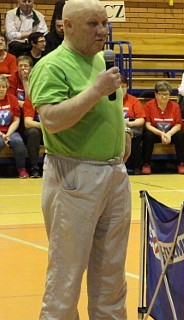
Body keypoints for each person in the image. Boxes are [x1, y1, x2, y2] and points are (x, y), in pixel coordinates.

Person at [28, 0, 131, 318]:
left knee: (112, 273)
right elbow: (53, 120)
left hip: (114, 174)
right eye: (93, 24)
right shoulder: (51, 66)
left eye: (104, 23)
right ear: (66, 26)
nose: (102, 30)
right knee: (67, 273)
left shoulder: (102, 60)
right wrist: (95, 91)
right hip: (74, 176)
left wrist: (123, 132)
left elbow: (109, 105)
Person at [142, 81, 184, 175]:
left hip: (169, 133)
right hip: (156, 133)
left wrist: (169, 134)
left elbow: (178, 125)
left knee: (180, 135)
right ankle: (146, 164)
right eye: (161, 94)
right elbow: (148, 125)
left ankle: (181, 164)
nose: (164, 97)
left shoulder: (175, 106)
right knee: (147, 135)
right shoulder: (149, 105)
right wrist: (161, 134)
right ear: (156, 94)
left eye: (166, 94)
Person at [0, 76, 28, 178]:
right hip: (0, 133)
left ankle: (21, 169)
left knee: (18, 142)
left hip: (10, 131)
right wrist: (2, 135)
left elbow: (16, 120)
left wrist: (8, 134)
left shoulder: (12, 99)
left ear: (7, 88)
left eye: (3, 86)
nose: (1, 89)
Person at [121, 74, 145, 175]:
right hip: (115, 128)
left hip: (131, 127)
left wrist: (129, 124)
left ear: (127, 87)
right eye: (118, 87)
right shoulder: (109, 100)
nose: (121, 89)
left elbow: (141, 120)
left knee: (133, 137)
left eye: (123, 87)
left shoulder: (133, 101)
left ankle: (136, 167)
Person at [22, 97, 42, 177]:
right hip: (38, 132)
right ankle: (34, 167)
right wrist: (45, 126)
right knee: (33, 132)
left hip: (51, 130)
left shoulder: (56, 98)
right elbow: (27, 123)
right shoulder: (31, 99)